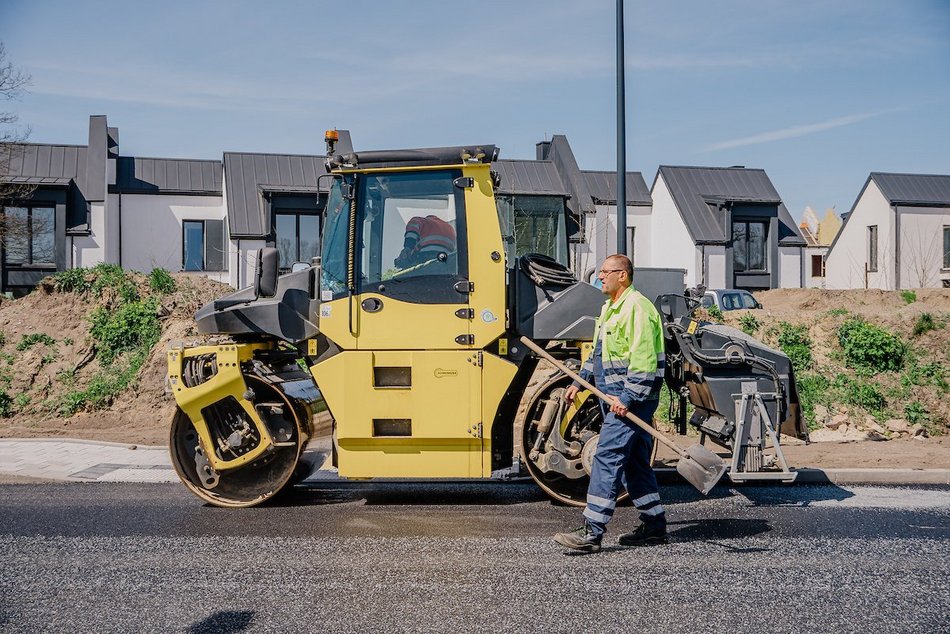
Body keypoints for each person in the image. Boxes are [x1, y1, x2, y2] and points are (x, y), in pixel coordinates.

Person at [554, 254, 667, 553]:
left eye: (605, 272)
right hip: (615, 397)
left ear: (623, 276)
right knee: (634, 462)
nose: (599, 277)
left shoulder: (637, 308)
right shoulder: (609, 309)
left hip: (632, 399)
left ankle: (592, 531)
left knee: (606, 456)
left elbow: (643, 362)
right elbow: (597, 356)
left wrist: (628, 398)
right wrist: (579, 382)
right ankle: (654, 525)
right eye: (600, 272)